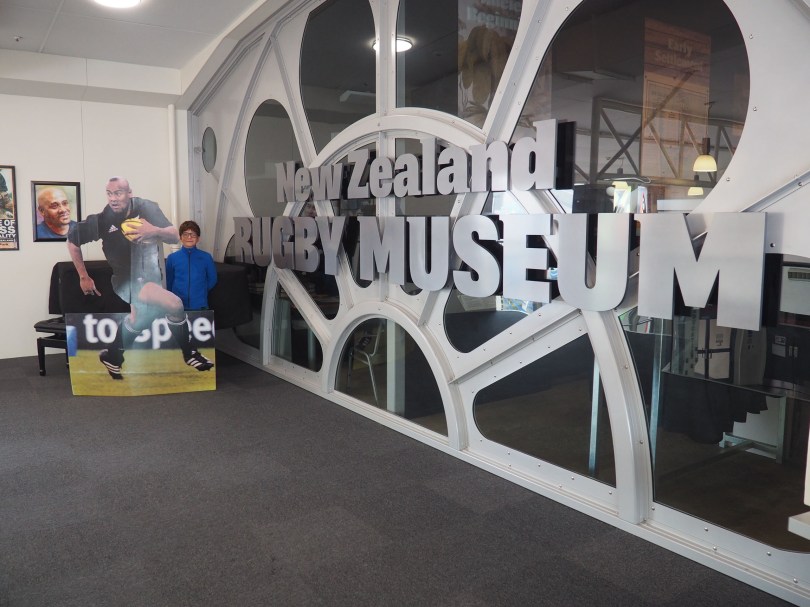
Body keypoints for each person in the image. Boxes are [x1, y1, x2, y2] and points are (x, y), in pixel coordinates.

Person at [67, 176, 213, 379]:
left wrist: (154, 230)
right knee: (175, 304)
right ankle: (190, 353)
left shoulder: (147, 208)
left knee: (140, 320)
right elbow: (72, 241)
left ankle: (112, 355)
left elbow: (173, 235)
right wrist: (83, 276)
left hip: (151, 275)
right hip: (126, 280)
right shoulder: (101, 220)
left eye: (118, 193)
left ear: (129, 193)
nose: (113, 198)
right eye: (109, 194)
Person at [166, 220, 218, 310]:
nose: (189, 237)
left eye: (193, 234)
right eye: (185, 234)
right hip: (178, 304)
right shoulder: (172, 258)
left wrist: (201, 290)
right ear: (180, 237)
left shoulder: (206, 257)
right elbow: (169, 281)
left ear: (198, 238)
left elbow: (213, 279)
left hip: (200, 304)